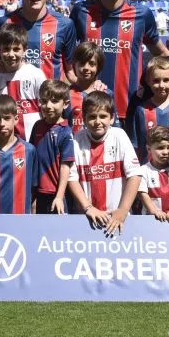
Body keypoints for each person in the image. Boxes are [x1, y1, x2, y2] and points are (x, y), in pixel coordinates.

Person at [70, 0, 168, 123]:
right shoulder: (81, 12)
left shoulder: (142, 14)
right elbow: (67, 58)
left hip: (130, 110)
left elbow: (161, 53)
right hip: (90, 113)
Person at [68, 91, 142, 236]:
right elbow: (72, 178)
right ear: (83, 118)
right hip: (88, 219)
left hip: (118, 218)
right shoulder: (76, 140)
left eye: (103, 116)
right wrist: (88, 208)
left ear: (112, 118)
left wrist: (122, 211)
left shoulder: (119, 136)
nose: (98, 122)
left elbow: (135, 175)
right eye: (92, 117)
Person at [0, 0, 77, 80]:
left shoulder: (65, 25)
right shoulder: (5, 23)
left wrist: (92, 85)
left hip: (51, 97)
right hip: (16, 97)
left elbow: (71, 73)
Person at [0, 24, 46, 141]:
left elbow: (45, 110)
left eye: (16, 49)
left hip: (35, 141)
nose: (11, 54)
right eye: (7, 49)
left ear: (25, 50)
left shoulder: (36, 75)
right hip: (5, 144)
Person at [129, 56, 169, 165]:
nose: (161, 85)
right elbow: (135, 145)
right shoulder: (141, 110)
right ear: (148, 81)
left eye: (166, 80)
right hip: (149, 174)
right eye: (156, 81)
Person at [29, 80, 75, 215]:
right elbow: (33, 159)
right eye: (44, 101)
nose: (48, 106)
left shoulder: (65, 132)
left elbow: (65, 166)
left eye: (54, 101)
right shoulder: (37, 126)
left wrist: (60, 196)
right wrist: (32, 193)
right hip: (38, 193)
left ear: (65, 104)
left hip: (56, 194)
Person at [64, 41, 110, 135]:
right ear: (74, 65)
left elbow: (114, 129)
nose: (86, 68)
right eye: (81, 63)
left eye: (92, 63)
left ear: (98, 67)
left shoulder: (106, 93)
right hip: (75, 147)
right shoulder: (66, 95)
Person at [136, 126, 169, 221]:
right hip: (150, 220)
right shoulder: (143, 170)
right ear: (149, 149)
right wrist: (154, 211)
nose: (166, 152)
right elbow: (143, 194)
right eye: (160, 148)